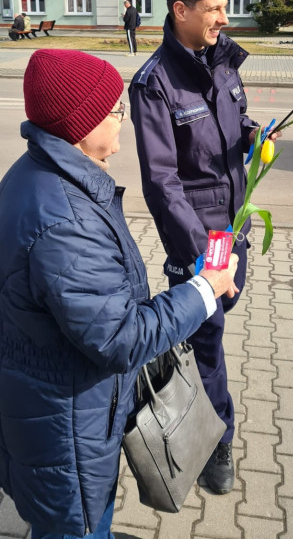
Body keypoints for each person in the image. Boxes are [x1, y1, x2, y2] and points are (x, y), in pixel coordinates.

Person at [0, 48, 239, 539]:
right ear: (82, 124)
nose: (122, 123)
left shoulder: (41, 175)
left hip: (53, 397)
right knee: (76, 523)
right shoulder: (65, 220)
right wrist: (203, 290)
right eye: (115, 111)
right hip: (67, 425)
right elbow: (120, 338)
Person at [129, 0, 281, 496]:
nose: (225, 17)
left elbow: (231, 121)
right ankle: (215, 445)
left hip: (232, 235)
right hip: (199, 248)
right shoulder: (154, 85)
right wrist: (204, 261)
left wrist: (254, 134)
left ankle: (202, 425)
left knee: (209, 341)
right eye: (214, 8)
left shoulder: (220, 61)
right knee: (206, 347)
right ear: (181, 10)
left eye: (224, 5)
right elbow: (162, 184)